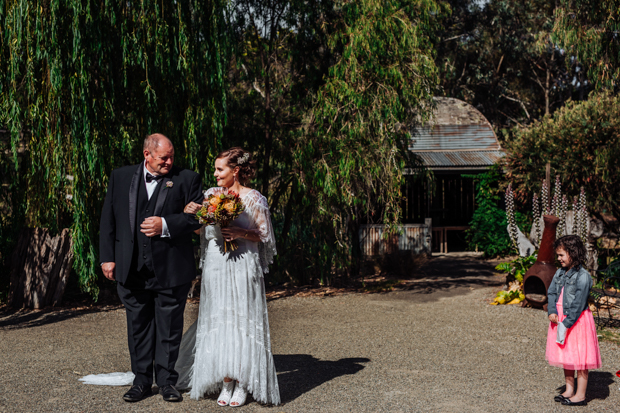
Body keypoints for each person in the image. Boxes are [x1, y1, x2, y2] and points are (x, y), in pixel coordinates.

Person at [99, 133, 204, 403]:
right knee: (138, 327)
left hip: (171, 269)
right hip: (130, 268)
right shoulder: (120, 177)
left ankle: (168, 382)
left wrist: (165, 225)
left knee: (169, 328)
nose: (169, 161)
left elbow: (196, 220)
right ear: (147, 155)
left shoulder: (188, 179)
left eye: (171, 156)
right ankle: (141, 381)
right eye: (163, 157)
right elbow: (108, 219)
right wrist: (107, 257)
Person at [183, 147, 280, 407]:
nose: (215, 174)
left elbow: (263, 235)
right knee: (220, 318)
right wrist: (194, 212)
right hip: (216, 264)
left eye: (220, 169)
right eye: (215, 169)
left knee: (242, 319)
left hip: (242, 265)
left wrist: (239, 231)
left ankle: (244, 381)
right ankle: (226, 381)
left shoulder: (254, 198)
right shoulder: (211, 196)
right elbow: (198, 232)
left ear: (235, 171)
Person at [546, 235, 601, 406]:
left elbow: (578, 304)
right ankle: (569, 389)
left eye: (562, 255)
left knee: (580, 357)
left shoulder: (583, 276)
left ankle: (580, 394)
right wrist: (552, 311)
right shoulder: (560, 272)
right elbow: (552, 292)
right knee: (567, 355)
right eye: (558, 255)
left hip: (576, 322)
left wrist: (566, 323)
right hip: (561, 319)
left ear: (573, 253)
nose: (559, 258)